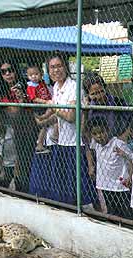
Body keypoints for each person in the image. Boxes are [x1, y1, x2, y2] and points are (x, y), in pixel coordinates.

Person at [33, 54, 94, 206]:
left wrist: (52, 107)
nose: (56, 70)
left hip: (75, 145)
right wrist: (43, 120)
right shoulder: (56, 87)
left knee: (78, 192)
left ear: (65, 67)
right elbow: (57, 115)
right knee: (62, 190)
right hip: (61, 144)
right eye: (52, 67)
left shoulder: (73, 87)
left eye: (59, 66)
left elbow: (71, 116)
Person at [0, 60, 38, 193]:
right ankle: (15, 189)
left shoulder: (27, 86)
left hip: (32, 129)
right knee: (16, 165)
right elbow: (13, 112)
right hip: (15, 131)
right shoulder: (3, 93)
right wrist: (20, 101)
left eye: (10, 70)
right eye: (4, 72)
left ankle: (24, 190)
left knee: (29, 165)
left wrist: (24, 98)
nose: (8, 74)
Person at [86, 116, 132, 219]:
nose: (99, 136)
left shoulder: (118, 144)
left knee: (125, 213)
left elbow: (132, 158)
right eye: (95, 134)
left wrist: (130, 176)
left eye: (101, 132)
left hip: (120, 186)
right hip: (105, 184)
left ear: (107, 129)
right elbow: (88, 150)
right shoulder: (95, 143)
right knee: (111, 212)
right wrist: (91, 165)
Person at [83, 72, 129, 141]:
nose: (98, 97)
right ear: (88, 95)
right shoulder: (88, 108)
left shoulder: (118, 102)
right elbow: (84, 131)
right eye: (93, 94)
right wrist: (85, 111)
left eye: (101, 92)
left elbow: (131, 123)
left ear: (105, 88)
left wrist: (120, 140)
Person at [26, 64, 56, 154]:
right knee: (44, 126)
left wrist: (50, 100)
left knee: (53, 120)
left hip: (46, 105)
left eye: (36, 74)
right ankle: (40, 143)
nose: (34, 77)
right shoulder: (31, 86)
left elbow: (47, 93)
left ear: (41, 74)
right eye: (31, 75)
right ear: (28, 76)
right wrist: (45, 102)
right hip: (39, 107)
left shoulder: (42, 83)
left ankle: (52, 136)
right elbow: (34, 98)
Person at [0, 108, 16, 189]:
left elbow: (20, 150)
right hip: (6, 165)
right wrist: (1, 169)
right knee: (0, 187)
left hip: (16, 163)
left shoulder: (11, 131)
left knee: (20, 186)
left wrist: (17, 167)